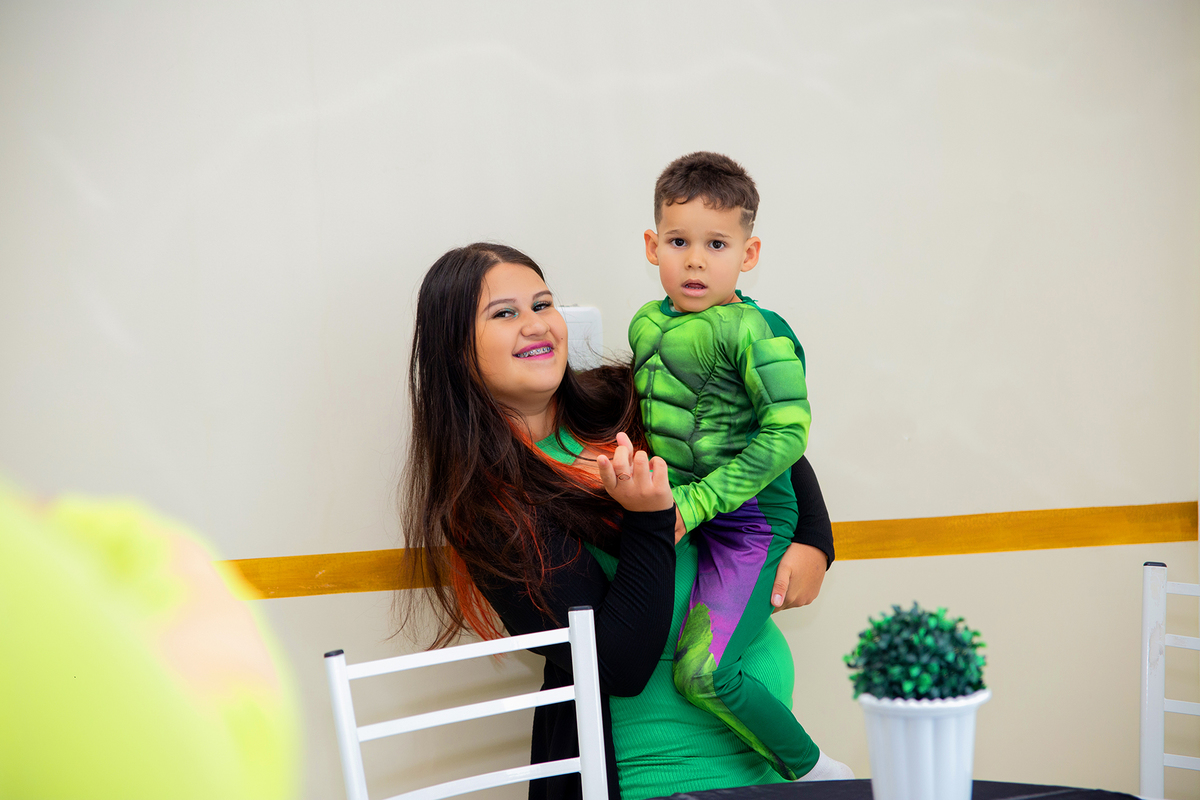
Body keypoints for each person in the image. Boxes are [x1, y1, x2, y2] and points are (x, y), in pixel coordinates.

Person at [401, 243, 839, 800]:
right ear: (456, 350)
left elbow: (760, 437)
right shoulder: (488, 510)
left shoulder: (626, 395)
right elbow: (620, 663)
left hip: (770, 764)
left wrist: (813, 540)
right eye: (505, 313)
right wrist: (649, 520)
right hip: (664, 777)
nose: (536, 325)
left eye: (543, 304)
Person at [629, 152, 848, 781]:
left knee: (702, 672)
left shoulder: (758, 331)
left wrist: (695, 505)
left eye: (716, 243)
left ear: (747, 255)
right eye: (679, 241)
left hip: (750, 523)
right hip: (680, 514)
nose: (695, 259)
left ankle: (816, 772)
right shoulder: (645, 324)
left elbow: (787, 435)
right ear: (653, 245)